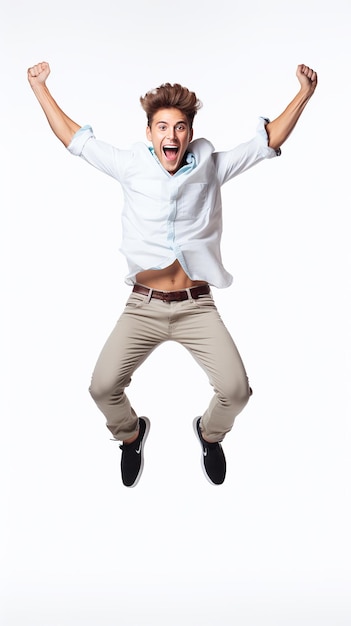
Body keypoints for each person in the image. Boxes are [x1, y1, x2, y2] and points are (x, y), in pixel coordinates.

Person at [27, 61, 317, 488]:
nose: (171, 136)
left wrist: (304, 94)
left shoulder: (210, 165)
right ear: (150, 133)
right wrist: (39, 88)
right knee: (101, 388)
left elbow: (266, 141)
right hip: (142, 307)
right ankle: (130, 434)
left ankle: (209, 433)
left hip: (197, 307)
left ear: (189, 132)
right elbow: (74, 137)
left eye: (180, 127)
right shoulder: (129, 165)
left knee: (236, 392)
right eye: (162, 127)